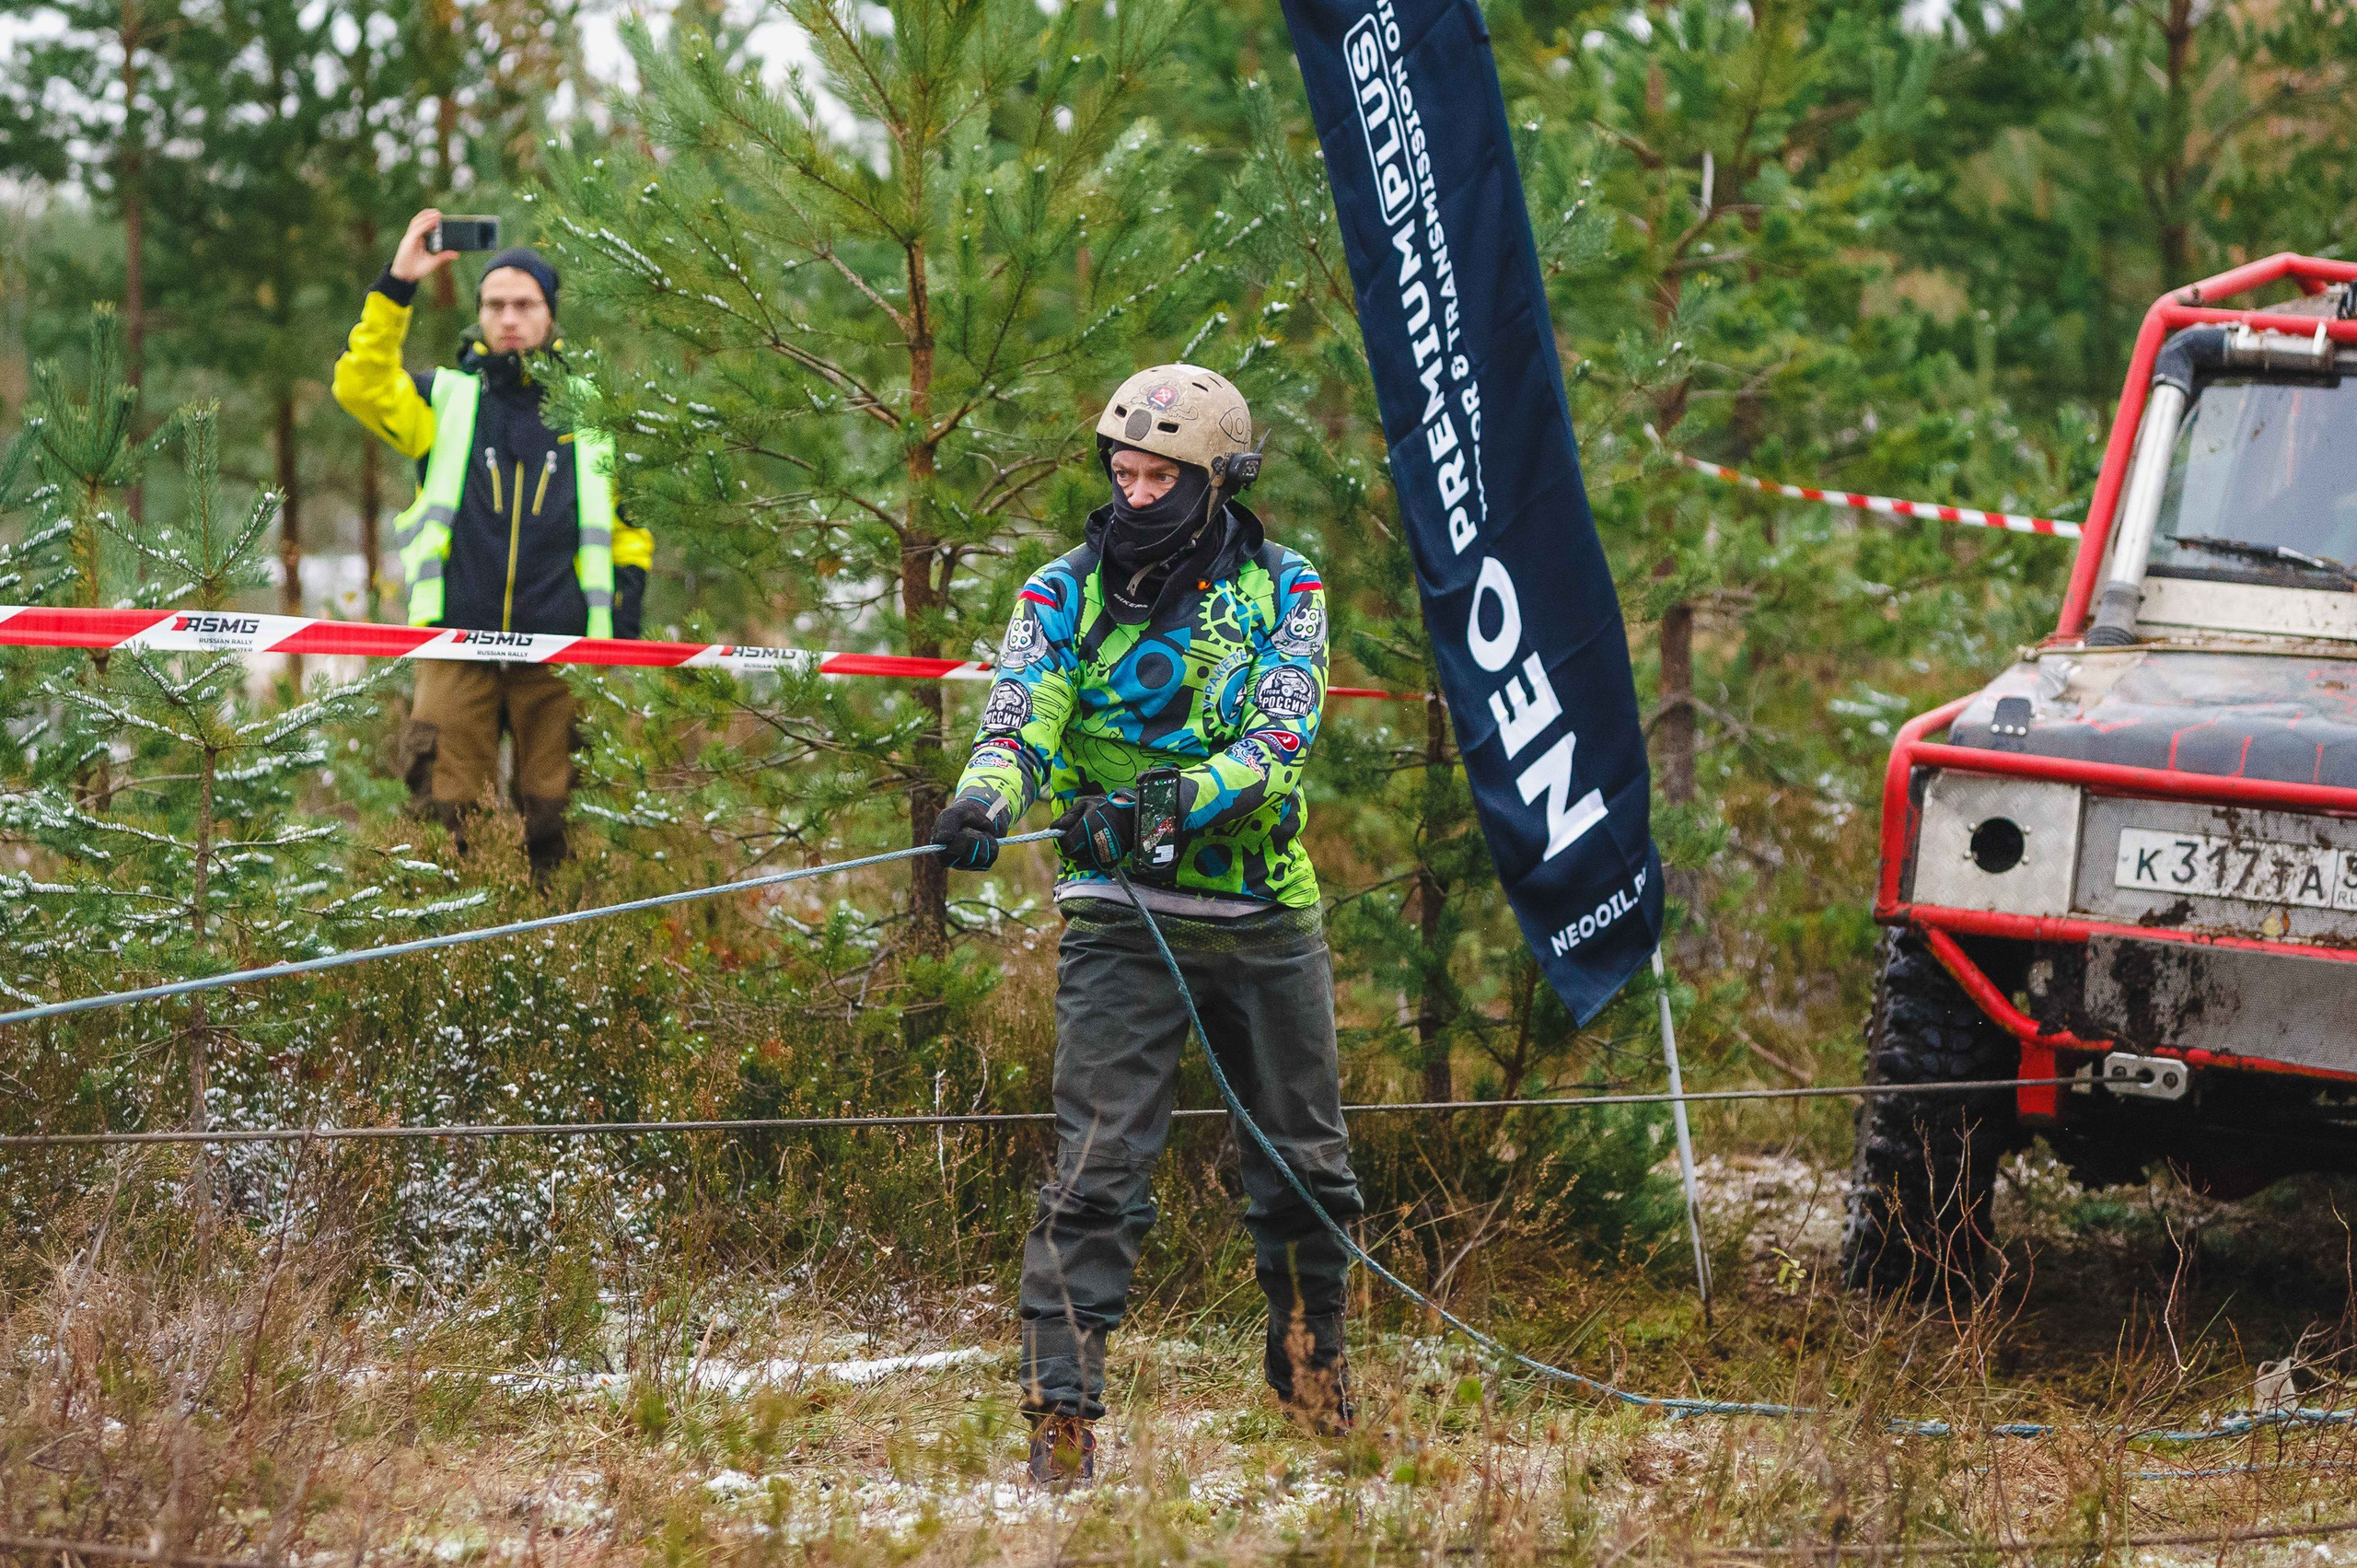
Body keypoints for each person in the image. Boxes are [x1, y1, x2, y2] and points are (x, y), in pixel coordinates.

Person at [929, 365, 1362, 1488]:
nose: (1133, 493)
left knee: (1305, 1167)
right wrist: (985, 797)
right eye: (1120, 471)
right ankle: (1059, 1419)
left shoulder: (1288, 588)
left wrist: (1157, 806)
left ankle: (1312, 1383)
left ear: (1216, 478)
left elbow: (1278, 743)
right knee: (1096, 1169)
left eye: (1159, 475)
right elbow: (1022, 715)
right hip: (1119, 918)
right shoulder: (1058, 592)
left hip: (1264, 908)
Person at [331, 207, 653, 876]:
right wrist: (398, 283)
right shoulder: (443, 401)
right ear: (479, 314)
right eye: (495, 303)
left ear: (550, 316)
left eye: (524, 304)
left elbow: (629, 532)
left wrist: (620, 626)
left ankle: (564, 956)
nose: (509, 317)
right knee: (448, 822)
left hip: (562, 656)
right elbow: (357, 383)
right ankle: (454, 962)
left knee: (562, 827)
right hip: (454, 645)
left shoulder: (595, 413)